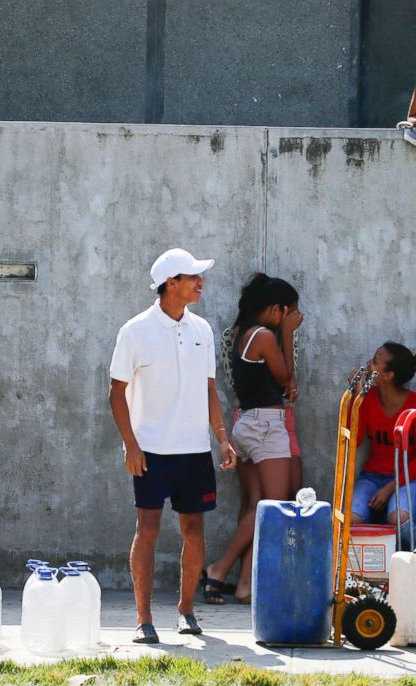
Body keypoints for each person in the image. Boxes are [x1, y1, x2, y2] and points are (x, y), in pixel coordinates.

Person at [109, 248, 237, 644]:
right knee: (147, 528)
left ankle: (186, 611)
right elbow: (116, 392)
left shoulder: (203, 329)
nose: (200, 282)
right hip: (150, 451)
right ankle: (143, 619)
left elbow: (210, 388)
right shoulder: (135, 330)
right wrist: (131, 446)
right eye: (192, 277)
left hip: (194, 451)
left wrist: (221, 438)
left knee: (194, 530)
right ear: (170, 283)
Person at [201, 274, 302, 605]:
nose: (294, 320)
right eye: (290, 314)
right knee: (273, 508)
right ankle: (218, 569)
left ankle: (245, 586)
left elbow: (279, 382)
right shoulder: (264, 337)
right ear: (276, 310)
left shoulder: (245, 333)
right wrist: (286, 334)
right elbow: (285, 374)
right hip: (266, 426)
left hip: (247, 423)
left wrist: (285, 383)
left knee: (256, 506)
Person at [352, 342, 416, 547]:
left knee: (398, 519)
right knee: (350, 521)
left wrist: (390, 488)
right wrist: (357, 398)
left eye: (375, 362)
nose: (368, 364)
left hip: (407, 479)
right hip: (371, 477)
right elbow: (355, 439)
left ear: (388, 376)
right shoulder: (369, 399)